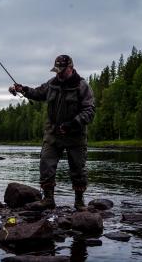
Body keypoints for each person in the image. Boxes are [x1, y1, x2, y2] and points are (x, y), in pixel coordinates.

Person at [9, 55, 95, 211]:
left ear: (71, 68)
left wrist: (72, 124)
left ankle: (79, 202)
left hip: (75, 135)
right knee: (46, 164)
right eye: (56, 71)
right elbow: (37, 93)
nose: (58, 74)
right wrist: (23, 89)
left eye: (62, 71)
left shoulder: (82, 86)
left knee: (78, 168)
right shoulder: (52, 84)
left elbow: (89, 111)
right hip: (53, 133)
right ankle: (48, 199)